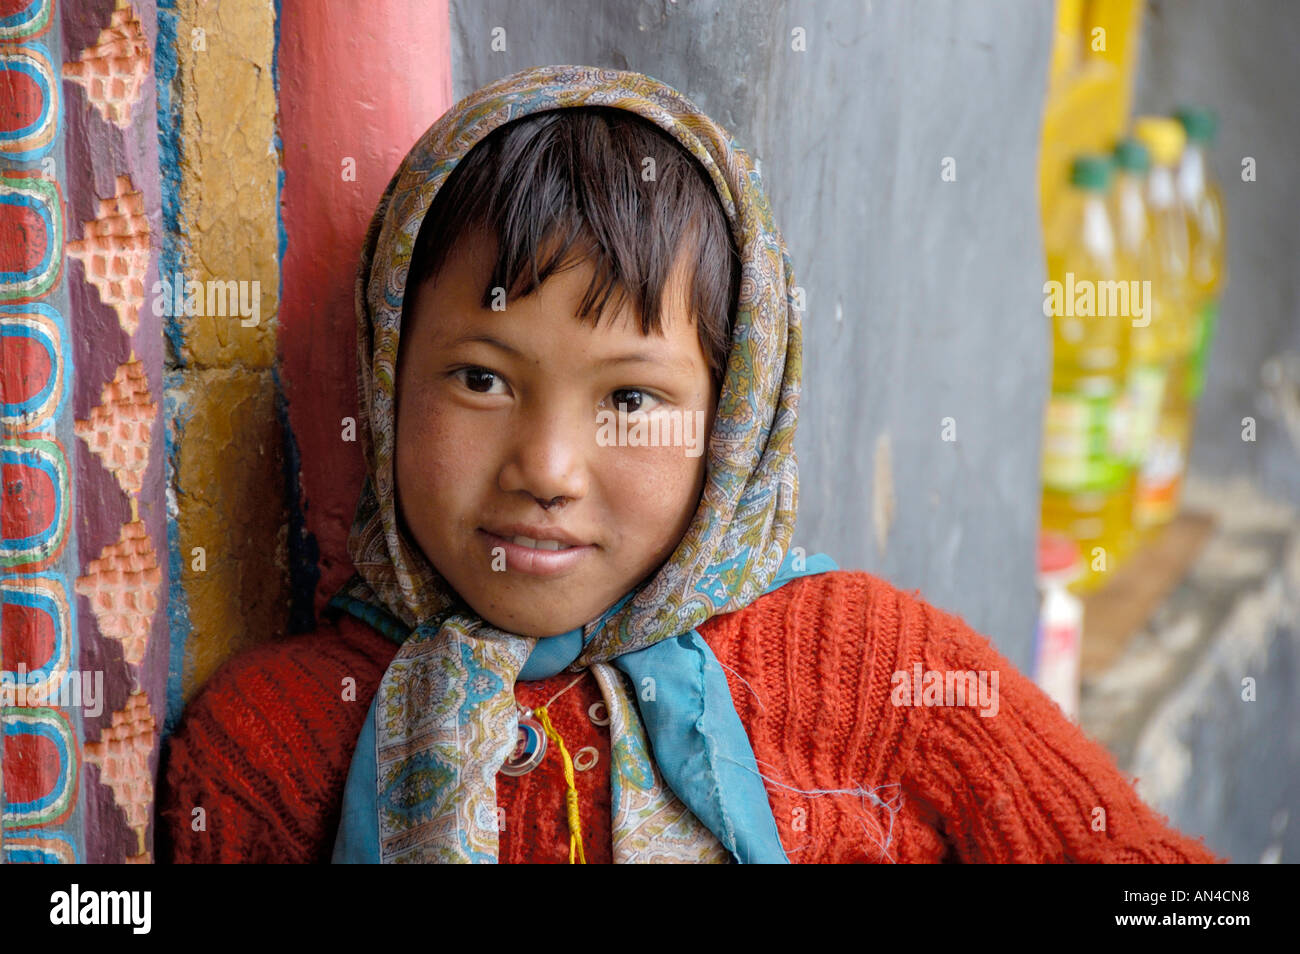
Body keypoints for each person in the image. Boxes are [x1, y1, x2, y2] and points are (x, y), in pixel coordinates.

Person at [158, 64, 1223, 864]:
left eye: (629, 398)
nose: (549, 466)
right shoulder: (269, 750)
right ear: (388, 376)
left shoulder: (874, 671)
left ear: (734, 419)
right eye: (481, 379)